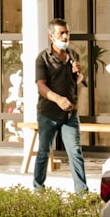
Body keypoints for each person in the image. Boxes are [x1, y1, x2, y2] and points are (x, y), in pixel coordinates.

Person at [33, 18, 88, 194]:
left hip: (70, 115)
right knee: (43, 153)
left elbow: (77, 81)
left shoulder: (73, 56)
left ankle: (82, 194)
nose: (65, 36)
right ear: (51, 36)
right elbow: (41, 86)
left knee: (76, 153)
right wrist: (58, 99)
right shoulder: (42, 58)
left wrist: (79, 74)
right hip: (48, 114)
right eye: (61, 33)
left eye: (67, 32)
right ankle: (38, 190)